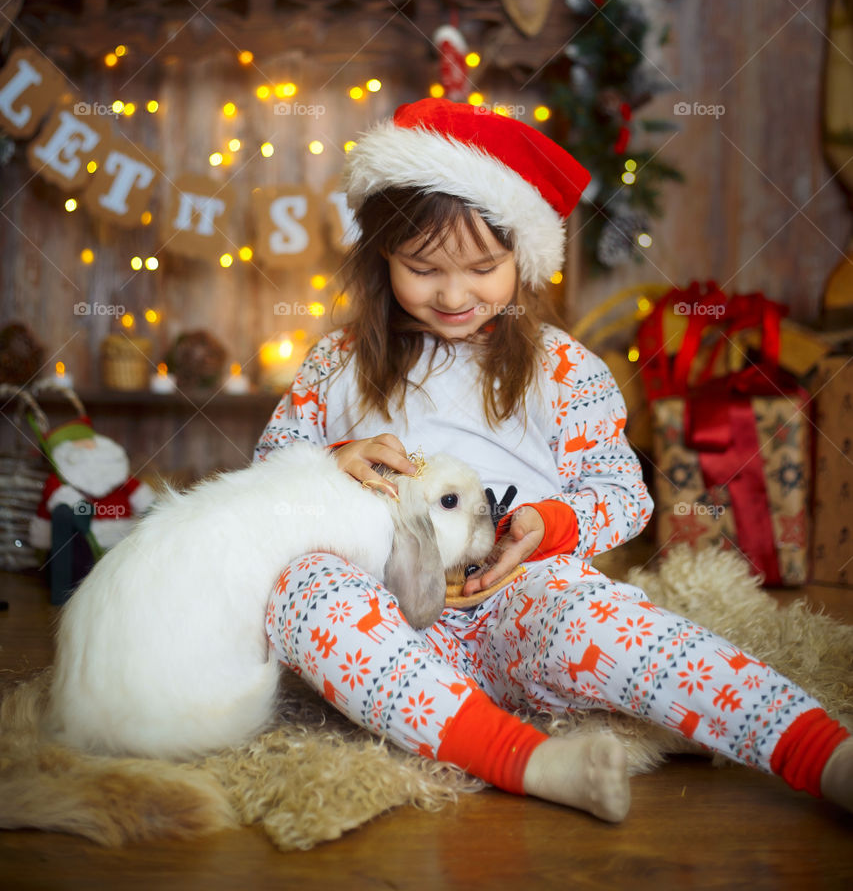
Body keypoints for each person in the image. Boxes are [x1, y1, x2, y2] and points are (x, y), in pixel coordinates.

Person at [254, 98, 853, 821]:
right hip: (385, 616)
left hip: (519, 600)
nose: (451, 295)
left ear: (523, 260)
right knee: (296, 588)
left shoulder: (561, 369)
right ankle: (526, 760)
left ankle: (819, 753)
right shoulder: (336, 361)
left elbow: (623, 495)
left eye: (482, 268)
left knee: (611, 622)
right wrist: (335, 458)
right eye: (421, 267)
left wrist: (544, 524)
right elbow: (269, 472)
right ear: (381, 256)